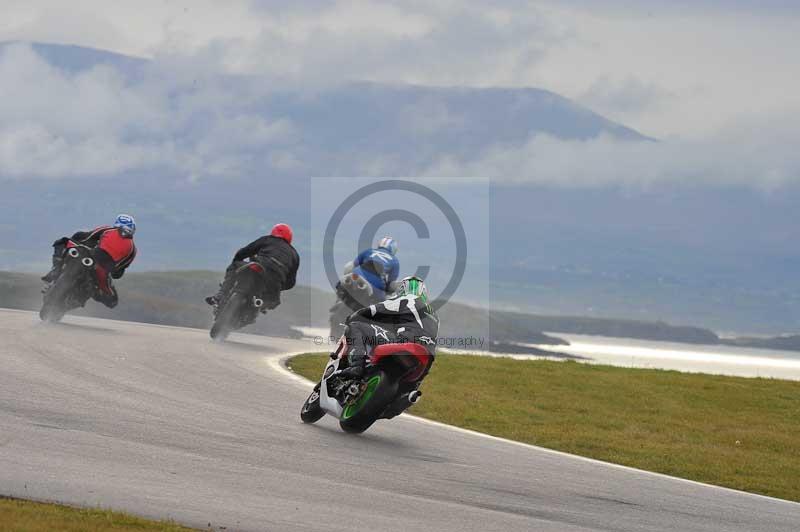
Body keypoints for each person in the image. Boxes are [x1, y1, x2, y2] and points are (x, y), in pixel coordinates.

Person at [335, 275, 439, 381]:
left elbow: (374, 310)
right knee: (407, 391)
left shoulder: (407, 299)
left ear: (404, 288)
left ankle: (356, 366)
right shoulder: (434, 314)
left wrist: (352, 318)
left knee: (355, 326)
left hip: (406, 342)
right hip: (427, 359)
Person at [42, 214, 137, 308]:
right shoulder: (133, 250)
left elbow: (85, 236)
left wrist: (79, 243)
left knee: (62, 242)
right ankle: (87, 291)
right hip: (101, 270)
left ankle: (55, 270)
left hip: (90, 257)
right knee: (112, 301)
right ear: (132, 229)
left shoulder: (107, 229)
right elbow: (117, 272)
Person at [205, 223, 300, 309]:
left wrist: (237, 261)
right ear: (289, 237)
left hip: (259, 268)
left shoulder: (267, 239)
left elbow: (244, 251)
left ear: (273, 232)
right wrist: (279, 286)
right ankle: (259, 305)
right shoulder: (294, 254)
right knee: (272, 302)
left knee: (234, 266)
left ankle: (220, 296)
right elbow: (291, 282)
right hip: (275, 281)